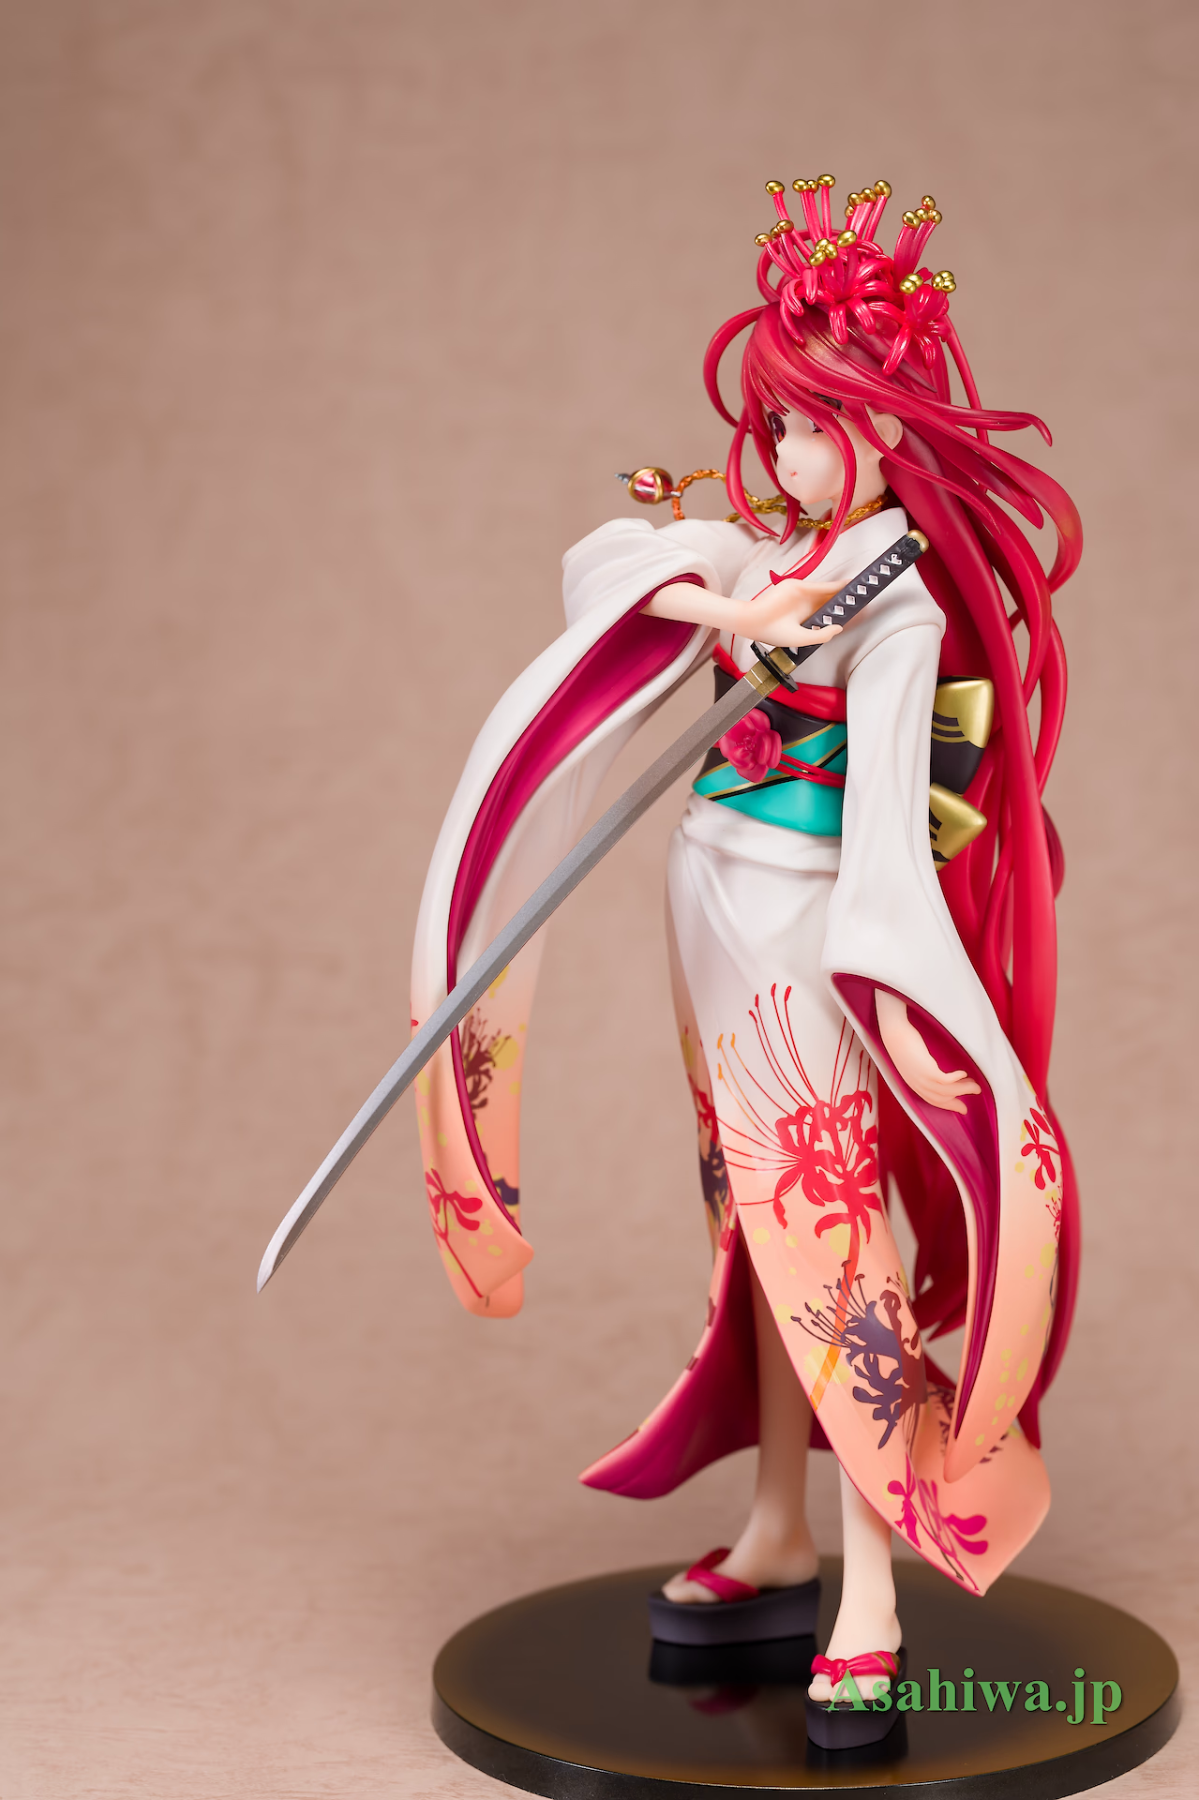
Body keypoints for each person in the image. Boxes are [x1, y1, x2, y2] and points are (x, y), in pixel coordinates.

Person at [410, 174, 1081, 1736]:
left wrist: (909, 1007)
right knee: (744, 1229)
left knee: (833, 1249)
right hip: (705, 904)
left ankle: (870, 1592)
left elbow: (896, 835)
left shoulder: (897, 609)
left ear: (883, 425)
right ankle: (780, 1527)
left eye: (805, 427)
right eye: (768, 426)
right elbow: (612, 555)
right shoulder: (775, 547)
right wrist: (718, 597)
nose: (777, 457)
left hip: (806, 930)